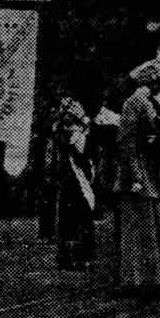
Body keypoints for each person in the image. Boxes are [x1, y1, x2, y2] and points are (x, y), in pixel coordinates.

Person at [110, 60, 160, 296]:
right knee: (144, 222)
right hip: (139, 169)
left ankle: (142, 276)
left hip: (142, 167)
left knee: (142, 223)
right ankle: (147, 278)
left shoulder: (137, 102)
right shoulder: (140, 102)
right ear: (151, 82)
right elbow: (137, 138)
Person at [52, 97, 98, 269]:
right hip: (67, 179)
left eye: (71, 114)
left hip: (81, 180)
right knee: (67, 219)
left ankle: (84, 256)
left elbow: (87, 157)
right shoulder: (59, 133)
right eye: (65, 114)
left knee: (83, 217)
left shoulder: (83, 133)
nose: (67, 118)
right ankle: (66, 257)